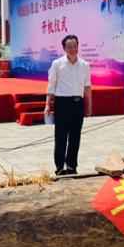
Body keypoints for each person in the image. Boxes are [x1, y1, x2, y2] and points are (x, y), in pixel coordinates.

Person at [45, 34, 92, 175]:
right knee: (60, 137)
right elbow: (51, 85)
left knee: (75, 137)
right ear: (64, 48)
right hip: (62, 104)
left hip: (78, 103)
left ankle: (72, 166)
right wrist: (47, 104)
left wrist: (89, 107)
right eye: (69, 47)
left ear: (78, 47)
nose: (72, 49)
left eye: (74, 46)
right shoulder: (57, 64)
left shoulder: (85, 65)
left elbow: (87, 87)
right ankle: (59, 167)